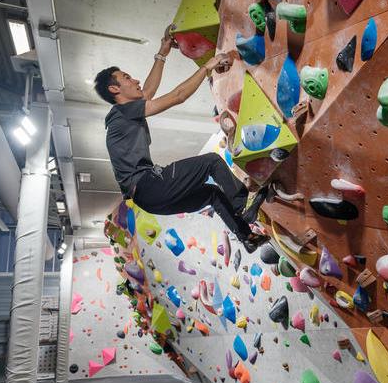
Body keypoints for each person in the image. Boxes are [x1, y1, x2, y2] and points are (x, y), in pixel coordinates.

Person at [95, 25, 270, 252]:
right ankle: (242, 203)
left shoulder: (123, 114)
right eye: (126, 78)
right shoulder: (121, 112)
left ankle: (247, 237)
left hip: (149, 201)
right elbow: (178, 96)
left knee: (212, 194)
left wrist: (163, 52)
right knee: (211, 161)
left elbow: (147, 92)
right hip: (149, 186)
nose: (135, 80)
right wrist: (208, 66)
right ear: (114, 89)